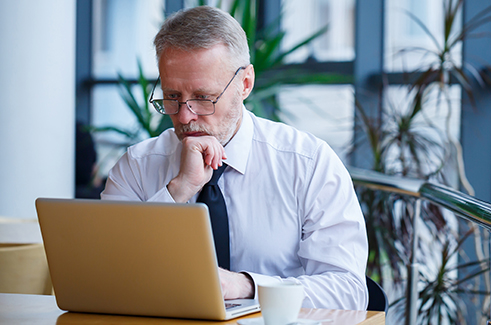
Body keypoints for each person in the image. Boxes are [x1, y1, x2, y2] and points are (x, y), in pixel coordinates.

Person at [101, 6, 368, 310]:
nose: (186, 117)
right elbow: (107, 276)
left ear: (245, 83)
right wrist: (177, 191)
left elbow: (348, 290)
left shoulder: (308, 163)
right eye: (172, 97)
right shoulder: (137, 167)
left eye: (203, 97)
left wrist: (244, 286)